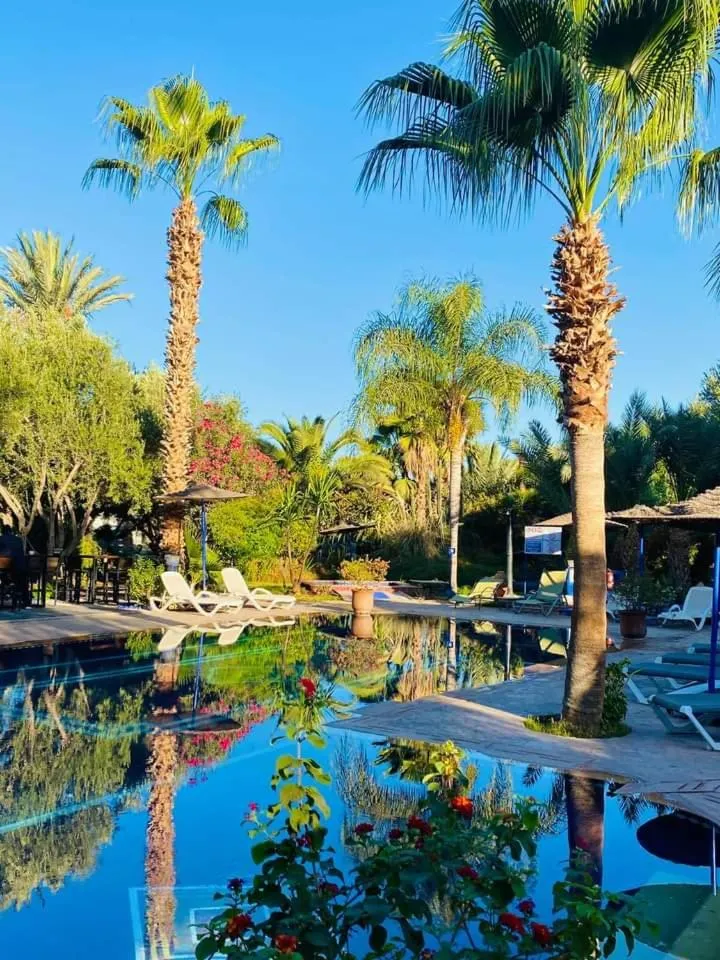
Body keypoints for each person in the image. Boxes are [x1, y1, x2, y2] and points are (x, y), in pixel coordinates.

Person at [0, 523, 28, 606]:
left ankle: (7, 587)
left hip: (5, 567)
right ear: (11, 531)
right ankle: (25, 601)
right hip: (20, 567)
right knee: (22, 580)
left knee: (4, 574)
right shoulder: (18, 540)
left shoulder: (1, 539)